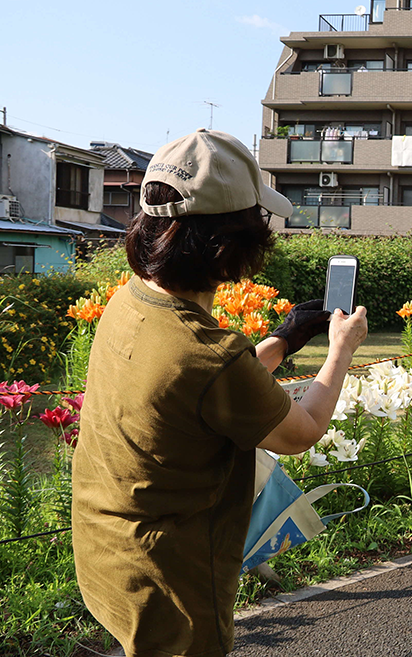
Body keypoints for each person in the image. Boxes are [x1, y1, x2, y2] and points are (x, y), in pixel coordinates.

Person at [71, 129, 368, 657]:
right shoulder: (208, 352)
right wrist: (340, 348)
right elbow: (300, 432)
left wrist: (281, 339)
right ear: (231, 244)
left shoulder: (129, 300)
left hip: (107, 548)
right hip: (173, 577)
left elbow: (196, 391)